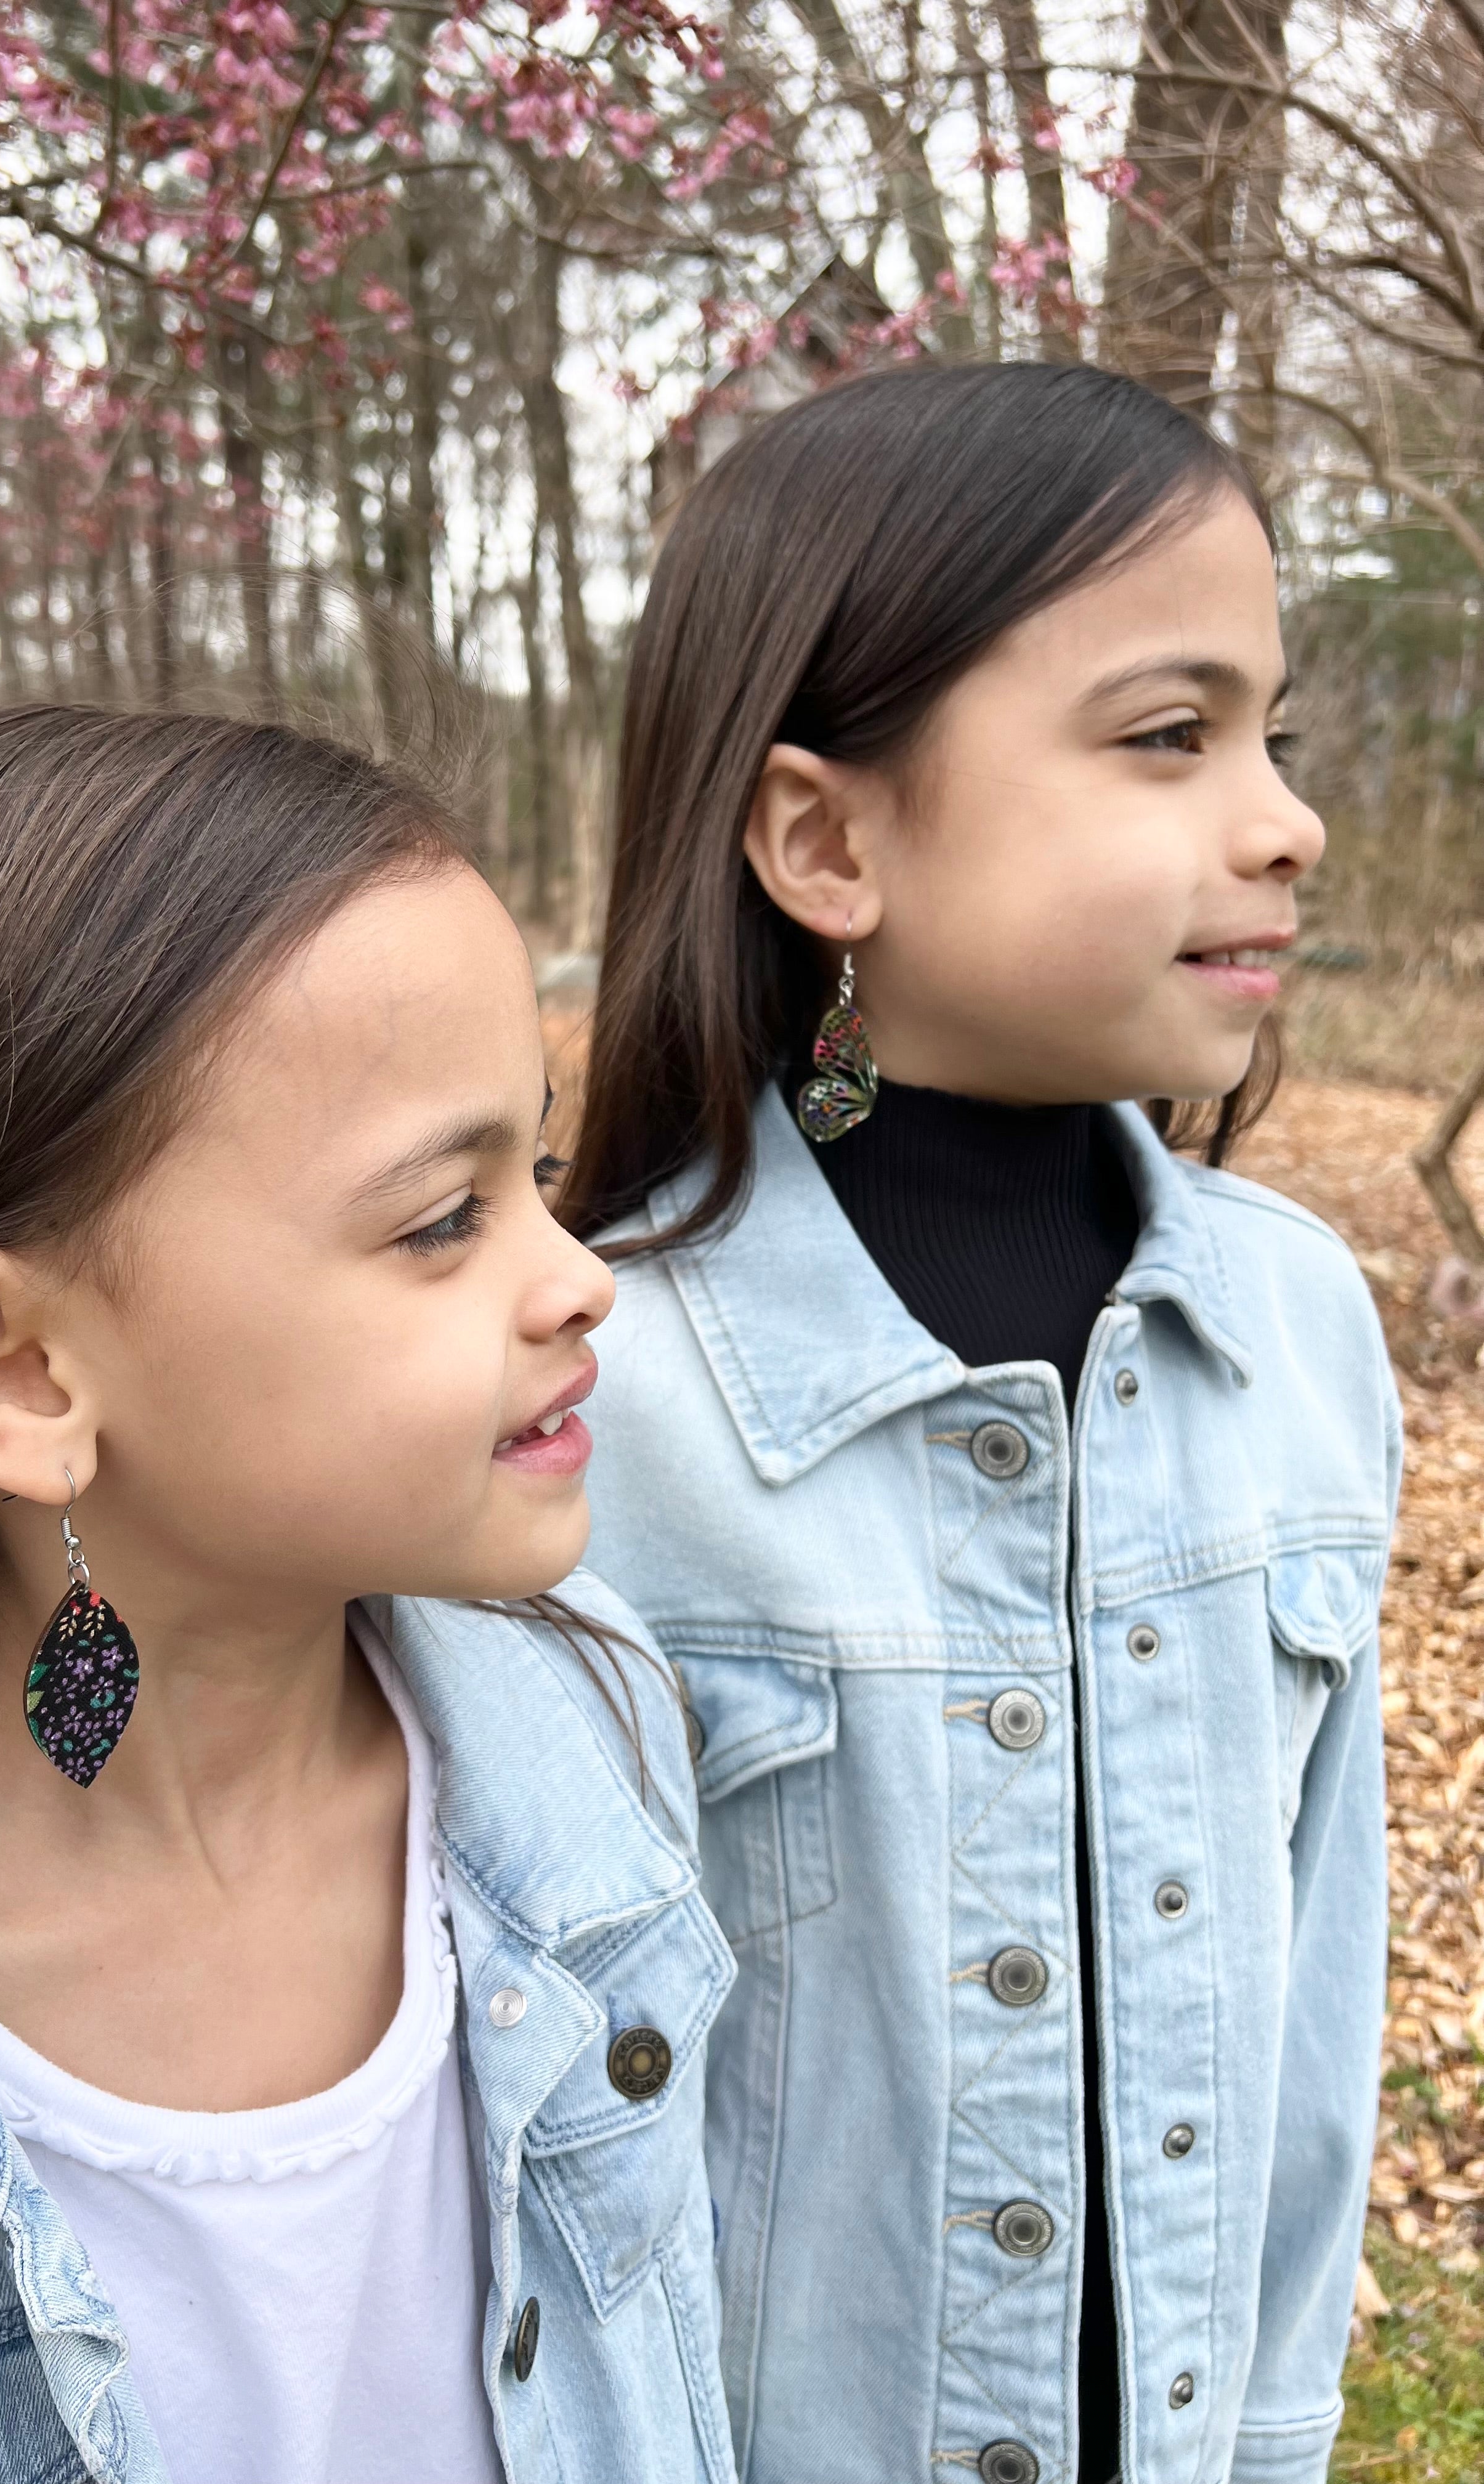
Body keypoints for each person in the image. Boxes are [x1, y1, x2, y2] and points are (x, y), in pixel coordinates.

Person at [0, 706, 736, 2484]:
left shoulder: (596, 1731)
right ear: (9, 1369)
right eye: (442, 1221)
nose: (581, 1278)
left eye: (533, 1169)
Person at [564, 363, 1398, 2484]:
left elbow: (1314, 2016)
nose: (1286, 817)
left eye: (1273, 735)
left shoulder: (1295, 1325)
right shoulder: (591, 1394)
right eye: (1167, 735)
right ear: (827, 838)